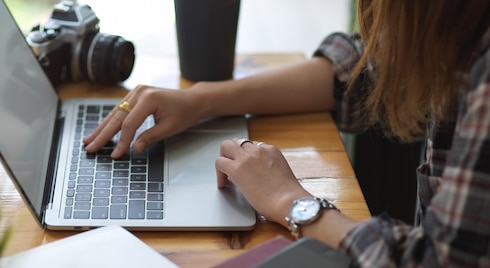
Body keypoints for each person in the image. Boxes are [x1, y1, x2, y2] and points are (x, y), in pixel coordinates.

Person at [83, 1, 490, 266]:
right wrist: (202, 100)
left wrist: (292, 201)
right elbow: (366, 70)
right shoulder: (458, 24)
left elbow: (439, 260)